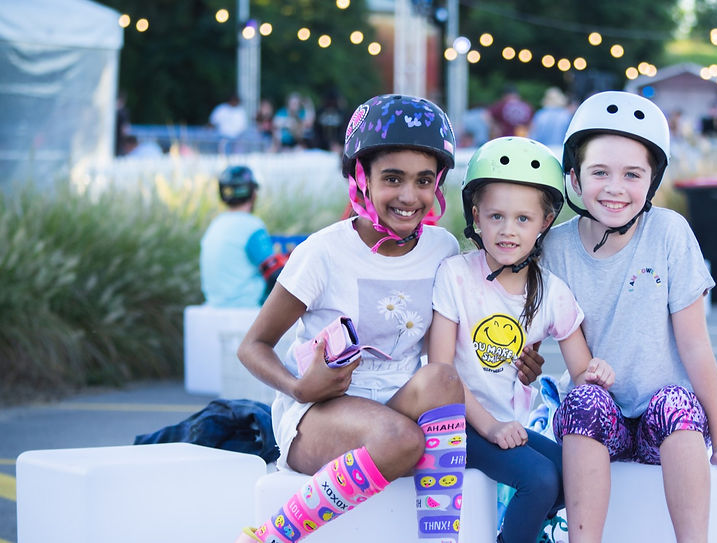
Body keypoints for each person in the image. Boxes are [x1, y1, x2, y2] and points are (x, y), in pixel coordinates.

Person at [233, 94, 470, 543]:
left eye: (423, 180)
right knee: (401, 441)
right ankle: (268, 537)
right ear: (361, 178)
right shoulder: (322, 253)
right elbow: (252, 346)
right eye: (392, 178)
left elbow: (454, 343)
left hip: (396, 402)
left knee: (441, 379)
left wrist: (520, 350)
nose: (408, 196)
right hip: (319, 413)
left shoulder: (444, 248)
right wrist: (298, 387)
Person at [541, 91, 717, 543]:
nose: (615, 187)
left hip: (664, 417)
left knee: (677, 403)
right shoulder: (557, 248)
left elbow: (695, 345)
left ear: (652, 180)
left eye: (632, 174)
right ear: (576, 180)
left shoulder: (669, 232)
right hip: (601, 414)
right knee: (582, 398)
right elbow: (570, 347)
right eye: (599, 172)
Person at [428, 137, 613, 543]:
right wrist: (490, 426)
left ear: (545, 223)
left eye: (522, 219)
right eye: (496, 216)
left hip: (507, 425)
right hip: (454, 422)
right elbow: (439, 374)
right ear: (476, 216)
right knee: (540, 481)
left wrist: (596, 371)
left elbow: (582, 372)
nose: (507, 231)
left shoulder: (552, 292)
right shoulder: (455, 275)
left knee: (571, 475)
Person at [200, 166, 286, 308]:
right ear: (253, 194)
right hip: (247, 307)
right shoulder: (251, 226)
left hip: (214, 306)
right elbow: (275, 274)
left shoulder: (215, 225)